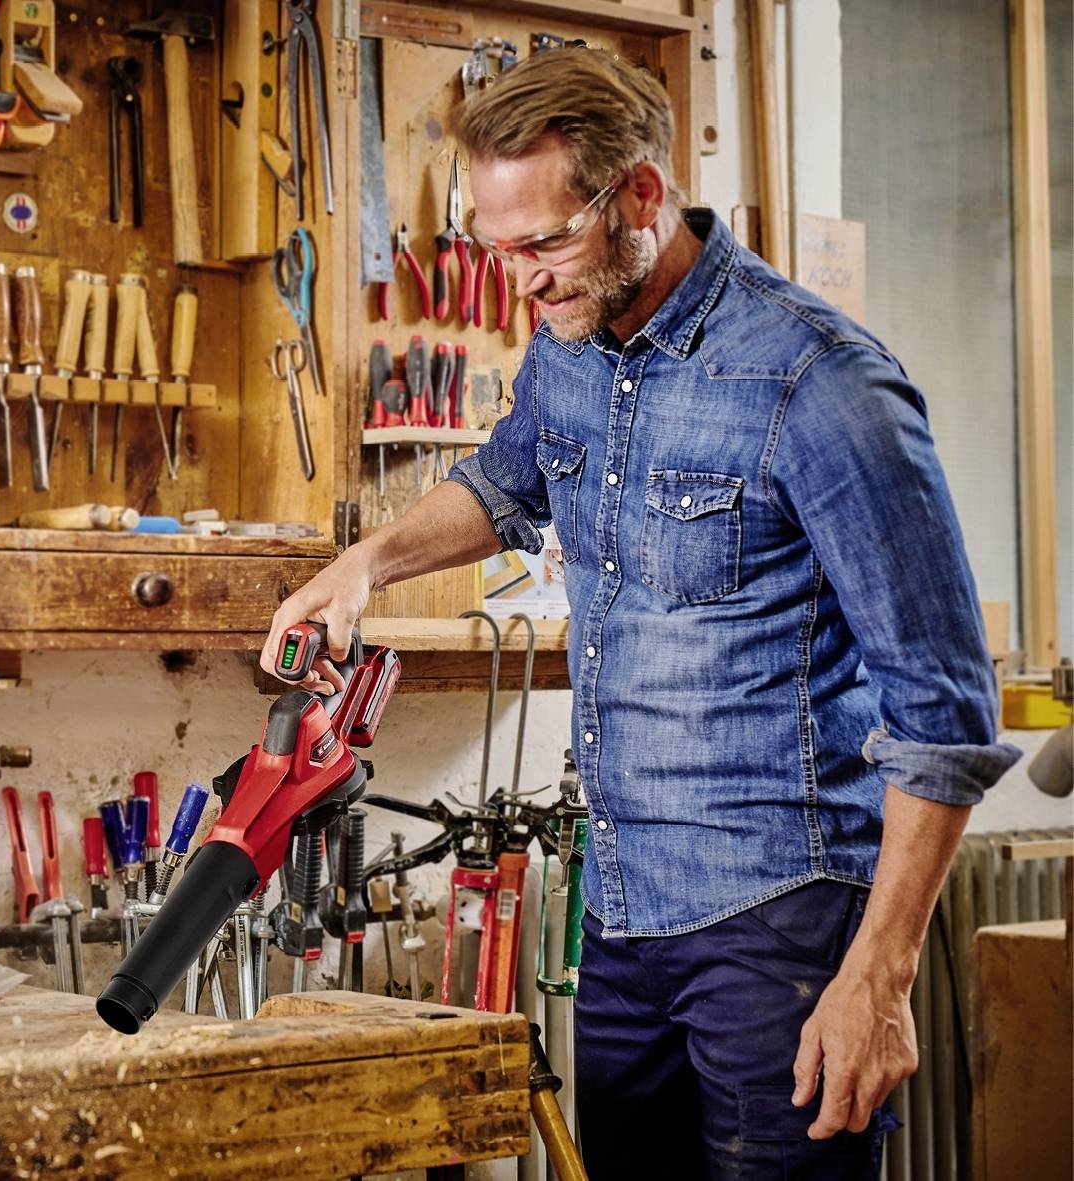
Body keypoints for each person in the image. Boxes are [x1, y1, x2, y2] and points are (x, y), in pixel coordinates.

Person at [260, 48, 1019, 1181]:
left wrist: (879, 974)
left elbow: (944, 711)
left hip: (779, 919)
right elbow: (505, 480)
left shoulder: (817, 384)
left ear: (641, 199)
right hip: (621, 911)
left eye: (543, 244)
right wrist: (367, 563)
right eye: (494, 248)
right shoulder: (570, 344)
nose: (519, 280)